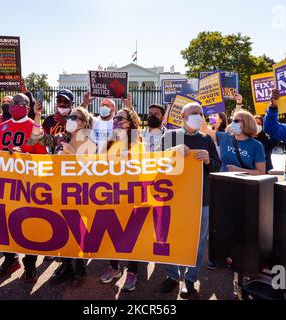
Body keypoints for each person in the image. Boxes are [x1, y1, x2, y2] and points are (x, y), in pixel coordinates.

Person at [29, 104, 97, 285]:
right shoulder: (61, 137)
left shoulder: (89, 141)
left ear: (85, 123)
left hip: (78, 193)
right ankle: (66, 266)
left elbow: (91, 169)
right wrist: (37, 116)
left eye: (76, 118)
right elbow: (36, 139)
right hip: (59, 191)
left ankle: (79, 268)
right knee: (62, 230)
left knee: (76, 231)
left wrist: (71, 151)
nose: (71, 120)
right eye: (70, 117)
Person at [158, 102, 221, 297]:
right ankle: (172, 275)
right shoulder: (170, 136)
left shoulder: (206, 139)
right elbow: (157, 164)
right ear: (183, 117)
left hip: (202, 199)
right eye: (194, 113)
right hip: (174, 199)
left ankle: (191, 279)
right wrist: (172, 151)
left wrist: (209, 160)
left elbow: (217, 166)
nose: (198, 116)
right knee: (172, 238)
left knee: (198, 241)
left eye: (200, 113)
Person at [0, 93, 47, 283]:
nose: (13, 106)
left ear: (27, 106)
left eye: (18, 103)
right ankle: (10, 260)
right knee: (5, 224)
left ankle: (30, 265)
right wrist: (5, 154)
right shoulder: (1, 127)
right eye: (11, 103)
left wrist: (22, 154)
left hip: (28, 185)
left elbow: (42, 155)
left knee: (29, 225)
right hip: (6, 184)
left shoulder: (35, 126)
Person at [99, 107, 145, 291]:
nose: (116, 120)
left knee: (131, 235)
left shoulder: (137, 143)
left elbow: (142, 170)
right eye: (115, 118)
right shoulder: (108, 143)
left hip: (131, 197)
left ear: (130, 123)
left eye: (121, 118)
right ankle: (114, 267)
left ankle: (132, 272)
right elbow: (98, 165)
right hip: (111, 196)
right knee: (113, 234)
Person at [202, 110, 266, 176]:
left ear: (247, 123)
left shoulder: (257, 145)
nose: (233, 123)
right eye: (232, 121)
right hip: (222, 182)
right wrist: (199, 110)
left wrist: (239, 170)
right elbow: (204, 130)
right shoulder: (224, 137)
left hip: (245, 184)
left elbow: (261, 172)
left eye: (236, 121)